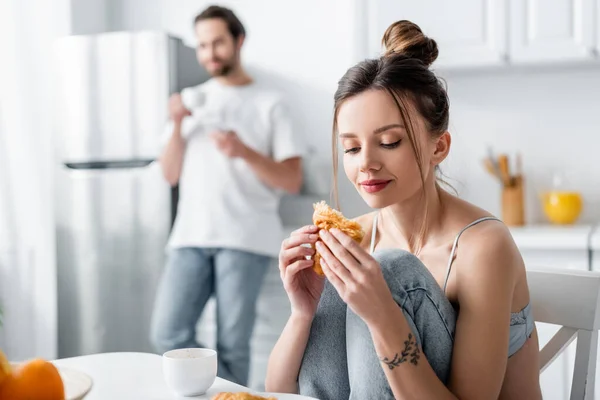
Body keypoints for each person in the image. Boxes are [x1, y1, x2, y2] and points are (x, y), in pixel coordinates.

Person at [266, 20, 542, 399]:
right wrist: (303, 311)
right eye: (350, 148)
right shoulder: (356, 239)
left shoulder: (482, 247)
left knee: (389, 268)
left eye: (389, 142)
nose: (366, 163)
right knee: (344, 267)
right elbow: (281, 391)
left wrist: (383, 315)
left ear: (439, 147)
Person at [150, 5, 304, 386]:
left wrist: (242, 151)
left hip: (245, 238)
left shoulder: (272, 103)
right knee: (167, 333)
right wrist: (175, 123)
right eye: (202, 45)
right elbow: (169, 174)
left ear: (238, 41)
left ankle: (228, 397)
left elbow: (292, 180)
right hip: (190, 236)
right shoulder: (192, 101)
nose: (209, 53)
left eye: (217, 42)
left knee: (232, 345)